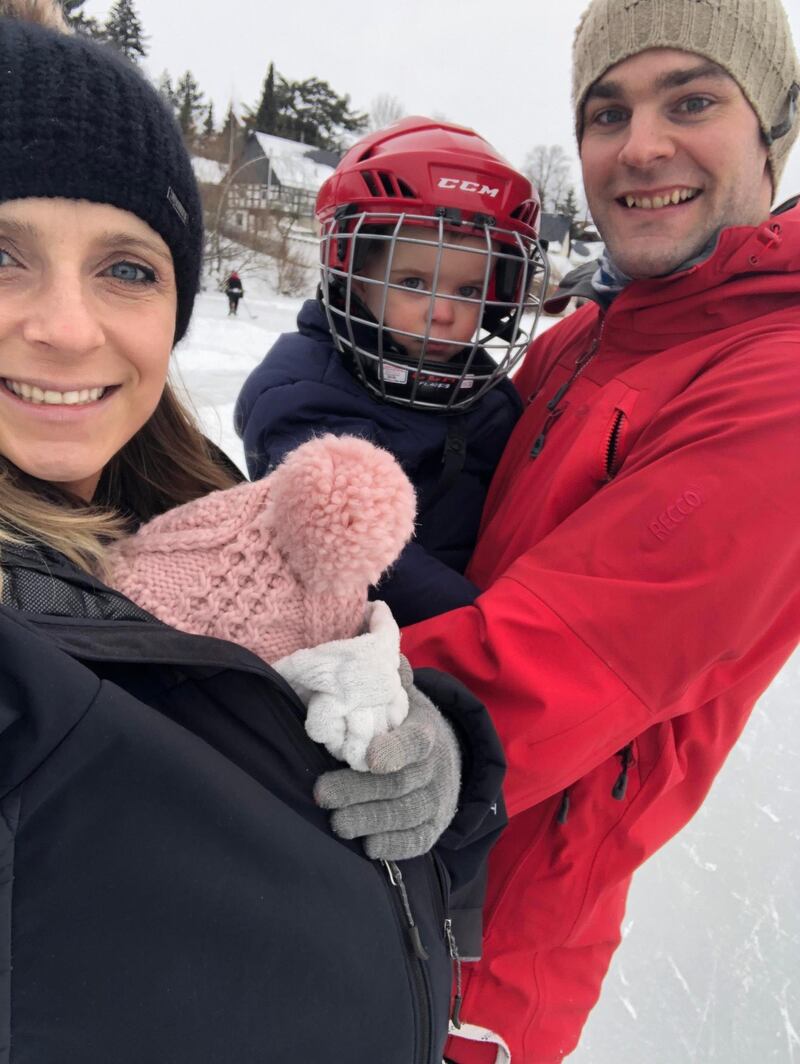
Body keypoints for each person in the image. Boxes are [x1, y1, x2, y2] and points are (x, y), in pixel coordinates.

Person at [0, 5, 506, 1061]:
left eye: (126, 267)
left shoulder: (187, 494)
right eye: (1, 254)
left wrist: (436, 744)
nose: (65, 326)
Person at [397, 0, 800, 1061]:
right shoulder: (587, 336)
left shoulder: (777, 377)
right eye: (605, 110)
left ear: (772, 130)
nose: (639, 147)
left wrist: (220, 719)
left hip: (483, 953)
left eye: (692, 100)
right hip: (387, 877)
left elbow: (533, 675)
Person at [235, 117, 549, 626]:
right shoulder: (307, 393)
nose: (442, 313)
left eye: (468, 292)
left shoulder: (484, 394)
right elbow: (358, 547)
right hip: (381, 640)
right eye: (412, 282)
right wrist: (486, 625)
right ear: (356, 280)